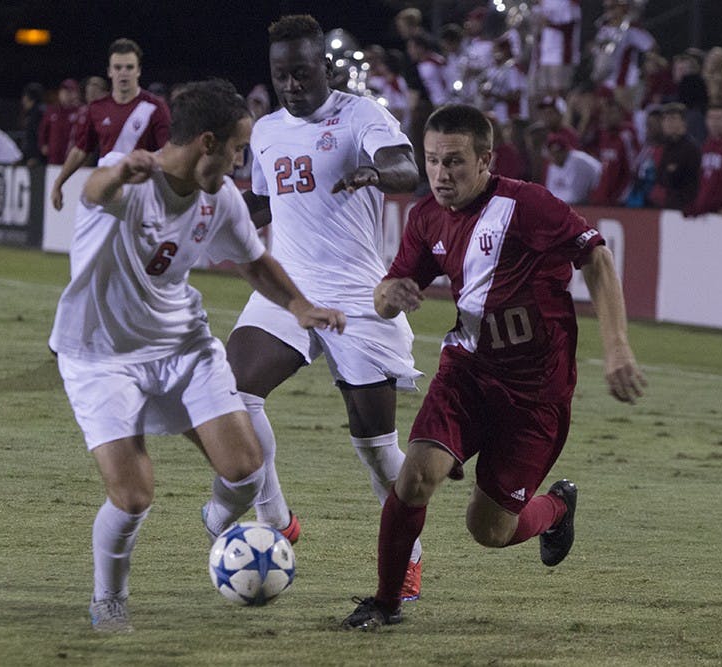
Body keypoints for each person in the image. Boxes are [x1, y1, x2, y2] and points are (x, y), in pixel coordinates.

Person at [48, 78, 346, 633]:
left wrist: (300, 306)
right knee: (133, 497)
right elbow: (93, 191)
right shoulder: (129, 176)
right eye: (237, 149)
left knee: (246, 470)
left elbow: (254, 262)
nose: (241, 161)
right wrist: (119, 172)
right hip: (101, 356)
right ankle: (109, 599)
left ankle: (216, 520)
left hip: (183, 345)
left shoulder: (220, 198)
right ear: (207, 143)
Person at [342, 103, 646, 631]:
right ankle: (385, 603)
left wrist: (617, 347)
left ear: (486, 160)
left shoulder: (528, 205)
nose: (440, 174)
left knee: (490, 530)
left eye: (454, 162)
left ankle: (555, 509)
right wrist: (390, 294)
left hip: (536, 392)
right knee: (415, 477)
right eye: (432, 161)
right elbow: (384, 296)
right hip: (468, 373)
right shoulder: (425, 218)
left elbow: (596, 258)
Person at [219, 14, 425, 598]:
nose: (291, 86)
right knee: (235, 389)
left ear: (325, 68)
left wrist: (372, 170)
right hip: (288, 289)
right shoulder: (264, 131)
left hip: (360, 297)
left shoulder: (361, 114)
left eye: (302, 73)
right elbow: (262, 205)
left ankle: (408, 552)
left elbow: (407, 169)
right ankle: (277, 521)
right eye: (281, 75)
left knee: (377, 446)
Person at [50, 38, 171, 211]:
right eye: (118, 67)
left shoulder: (155, 107)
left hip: (140, 194)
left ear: (138, 71)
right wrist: (59, 183)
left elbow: (167, 152)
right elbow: (81, 149)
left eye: (129, 67)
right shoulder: (97, 108)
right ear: (109, 72)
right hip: (106, 189)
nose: (124, 72)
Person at [543, 131, 602, 204]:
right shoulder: (552, 164)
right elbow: (551, 192)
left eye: (559, 152)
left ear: (566, 150)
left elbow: (577, 197)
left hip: (600, 192)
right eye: (553, 153)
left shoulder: (579, 161)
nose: (556, 155)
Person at [38, 79, 81, 165]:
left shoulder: (80, 112)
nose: (66, 94)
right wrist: (43, 144)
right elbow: (43, 129)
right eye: (63, 91)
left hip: (72, 155)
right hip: (54, 156)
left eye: (69, 91)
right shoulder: (52, 110)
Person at [20, 82, 45, 166]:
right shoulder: (31, 113)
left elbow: (39, 137)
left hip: (36, 161)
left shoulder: (38, 114)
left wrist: (36, 157)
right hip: (30, 158)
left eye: (24, 96)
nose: (23, 100)